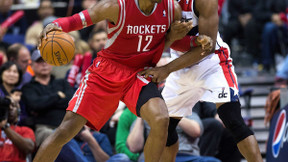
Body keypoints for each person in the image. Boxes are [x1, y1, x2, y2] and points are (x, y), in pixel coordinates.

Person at [33, 0, 194, 161]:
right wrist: (53, 26)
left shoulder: (172, 9)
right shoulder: (116, 6)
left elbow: (175, 41)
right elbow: (76, 20)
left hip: (140, 73)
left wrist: (195, 42)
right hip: (107, 71)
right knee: (65, 130)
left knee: (161, 119)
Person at [139, 0, 263, 161]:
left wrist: (166, 69)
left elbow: (207, 48)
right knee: (164, 128)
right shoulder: (156, 4)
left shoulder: (204, 2)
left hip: (211, 63)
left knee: (232, 119)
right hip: (179, 64)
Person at [22, 50, 74, 147]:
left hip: (67, 126)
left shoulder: (62, 83)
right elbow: (35, 105)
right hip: (44, 128)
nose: (44, 64)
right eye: (39, 61)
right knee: (52, 136)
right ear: (32, 65)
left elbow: (71, 102)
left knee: (98, 137)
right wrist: (57, 96)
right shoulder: (28, 88)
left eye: (46, 60)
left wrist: (46, 102)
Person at [0, 97, 35, 162]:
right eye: (7, 107)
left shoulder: (25, 130)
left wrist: (5, 126)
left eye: (13, 106)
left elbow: (29, 148)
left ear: (19, 110)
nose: (10, 108)